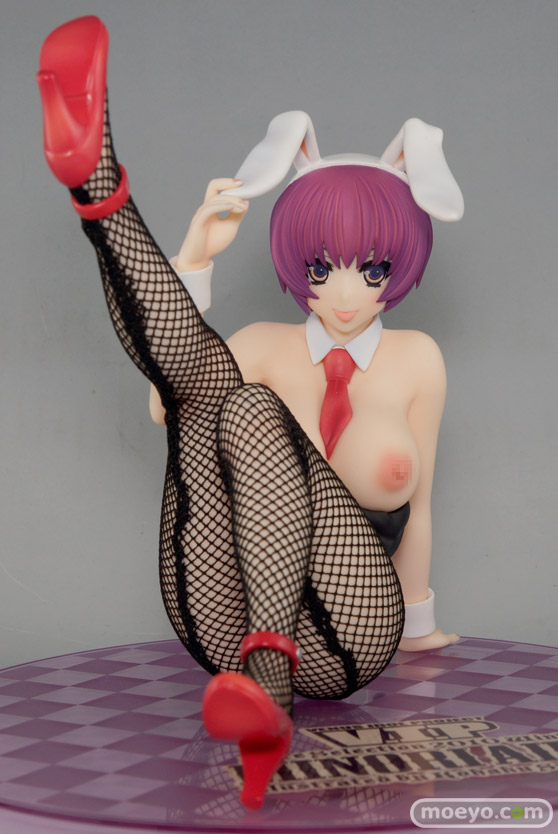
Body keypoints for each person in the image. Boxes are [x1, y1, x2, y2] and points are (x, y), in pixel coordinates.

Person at [37, 16, 462, 811]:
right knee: (234, 400)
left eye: (371, 267)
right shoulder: (263, 343)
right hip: (222, 611)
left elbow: (423, 506)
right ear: (293, 261)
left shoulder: (417, 361)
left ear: (400, 265)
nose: (344, 293)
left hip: (347, 632)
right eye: (320, 266)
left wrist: (421, 625)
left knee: (249, 399)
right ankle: (97, 185)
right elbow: (168, 404)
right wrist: (195, 259)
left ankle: (103, 196)